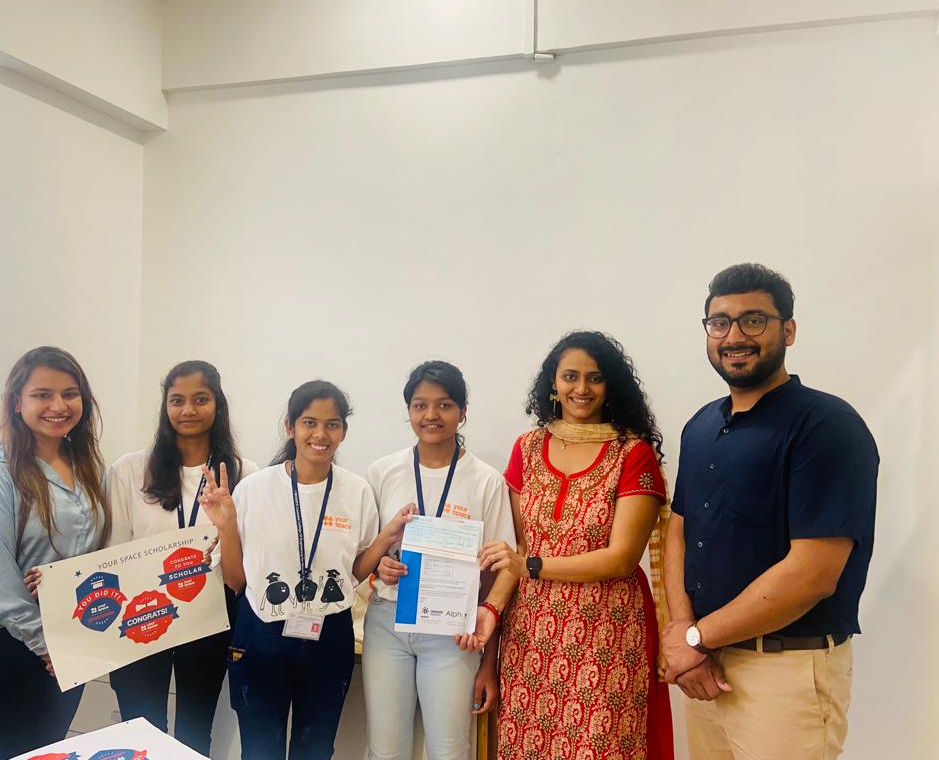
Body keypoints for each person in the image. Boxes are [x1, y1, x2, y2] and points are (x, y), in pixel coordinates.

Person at [661, 263, 878, 760]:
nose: (734, 335)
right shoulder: (700, 426)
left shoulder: (827, 426)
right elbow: (679, 530)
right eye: (720, 322)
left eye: (753, 320)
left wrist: (694, 636)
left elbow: (813, 573)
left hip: (785, 674)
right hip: (706, 668)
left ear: (789, 329)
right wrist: (681, 631)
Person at [465, 331, 674, 760]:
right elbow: (517, 548)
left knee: (602, 745)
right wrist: (491, 612)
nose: (582, 389)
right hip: (532, 634)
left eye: (595, 378)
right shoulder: (527, 448)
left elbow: (620, 558)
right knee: (529, 744)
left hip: (607, 632)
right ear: (554, 385)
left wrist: (532, 566)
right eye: (571, 377)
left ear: (610, 385)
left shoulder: (631, 454)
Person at [198, 380, 414, 760]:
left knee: (315, 750)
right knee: (260, 751)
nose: (320, 434)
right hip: (261, 634)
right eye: (309, 422)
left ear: (343, 431)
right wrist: (226, 526)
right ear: (290, 427)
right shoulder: (255, 488)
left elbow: (353, 573)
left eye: (332, 424)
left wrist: (386, 537)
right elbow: (236, 580)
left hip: (329, 635)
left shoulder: (356, 491)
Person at [0, 346, 111, 760]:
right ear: (17, 402)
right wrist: (48, 645)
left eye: (70, 393)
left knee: (51, 750)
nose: (58, 405)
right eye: (43, 394)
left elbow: (93, 554)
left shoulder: (88, 467)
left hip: (67, 634)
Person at [363, 360, 516, 760]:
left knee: (449, 751)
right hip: (387, 624)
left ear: (463, 412)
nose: (431, 415)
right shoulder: (382, 473)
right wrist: (380, 564)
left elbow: (505, 570)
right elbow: (364, 556)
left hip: (453, 635)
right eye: (419, 405)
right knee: (385, 750)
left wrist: (488, 644)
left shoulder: (486, 480)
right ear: (409, 411)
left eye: (444, 405)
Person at [105, 360, 259, 755]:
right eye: (177, 400)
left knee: (195, 729)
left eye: (200, 399)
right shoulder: (129, 469)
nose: (188, 410)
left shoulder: (243, 473)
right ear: (165, 407)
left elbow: (240, 572)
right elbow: (113, 551)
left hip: (209, 614)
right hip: (140, 611)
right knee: (140, 729)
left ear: (217, 405)